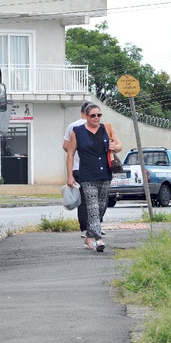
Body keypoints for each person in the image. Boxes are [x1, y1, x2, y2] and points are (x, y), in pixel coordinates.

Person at [66, 104, 122, 251]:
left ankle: (88, 237)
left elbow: (119, 145)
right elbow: (70, 154)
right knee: (92, 207)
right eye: (93, 115)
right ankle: (98, 239)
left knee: (102, 206)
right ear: (86, 116)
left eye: (99, 115)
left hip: (105, 174)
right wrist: (70, 175)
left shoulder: (106, 129)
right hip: (87, 175)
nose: (96, 118)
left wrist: (114, 147)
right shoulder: (77, 132)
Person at [63, 101, 93, 237]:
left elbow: (65, 146)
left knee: (84, 201)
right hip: (87, 168)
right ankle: (93, 225)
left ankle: (85, 228)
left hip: (76, 167)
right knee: (94, 199)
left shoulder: (72, 126)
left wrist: (73, 150)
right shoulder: (95, 126)